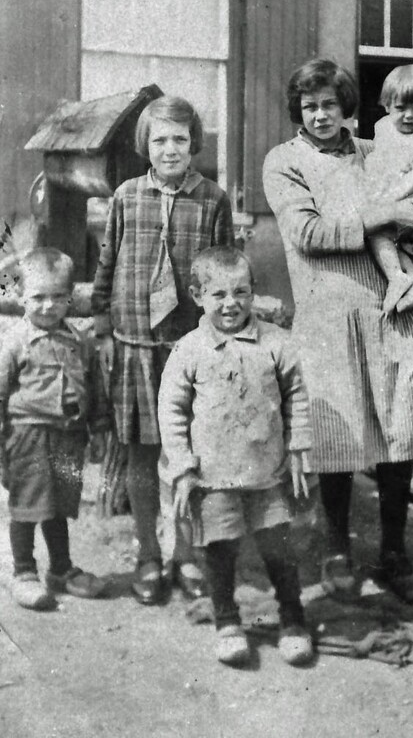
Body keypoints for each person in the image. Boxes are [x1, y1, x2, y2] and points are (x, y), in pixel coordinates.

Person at [262, 57, 413, 605]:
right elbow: (308, 233)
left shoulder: (374, 150)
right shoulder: (285, 162)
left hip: (391, 309)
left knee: (397, 430)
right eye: (310, 107)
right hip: (328, 316)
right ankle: (337, 547)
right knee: (336, 435)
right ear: (298, 111)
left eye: (330, 105)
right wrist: (384, 215)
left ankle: (394, 550)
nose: (321, 115)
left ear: (346, 108)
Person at [92, 95, 234, 605]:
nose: (170, 149)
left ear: (194, 144)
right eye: (159, 140)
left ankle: (187, 554)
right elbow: (107, 261)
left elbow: (225, 270)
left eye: (179, 139)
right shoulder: (126, 196)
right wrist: (103, 324)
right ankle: (149, 554)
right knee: (141, 450)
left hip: (188, 348)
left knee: (189, 452)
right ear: (144, 146)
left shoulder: (213, 199)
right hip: (134, 342)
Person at [158, 246, 314, 667]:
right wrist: (183, 467)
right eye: (219, 294)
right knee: (220, 549)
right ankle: (227, 622)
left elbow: (297, 396)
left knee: (278, 549)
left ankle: (293, 621)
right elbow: (171, 411)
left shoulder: (276, 343)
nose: (231, 304)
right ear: (197, 296)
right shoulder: (189, 350)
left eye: (241, 292)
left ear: (254, 292)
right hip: (213, 477)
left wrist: (298, 446)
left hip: (268, 471)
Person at [0, 248, 109, 610]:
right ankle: (23, 572)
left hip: (69, 435)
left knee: (59, 503)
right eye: (38, 297)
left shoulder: (79, 341)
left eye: (57, 297)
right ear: (21, 297)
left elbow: (94, 387)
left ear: (70, 298)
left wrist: (98, 429)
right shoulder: (14, 342)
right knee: (28, 504)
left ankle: (60, 569)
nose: (47, 306)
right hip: (27, 435)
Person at [361, 64, 413, 315]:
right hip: (391, 192)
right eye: (400, 108)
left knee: (380, 231)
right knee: (387, 237)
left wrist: (389, 201)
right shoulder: (383, 127)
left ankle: (397, 277)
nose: (409, 115)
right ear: (386, 106)